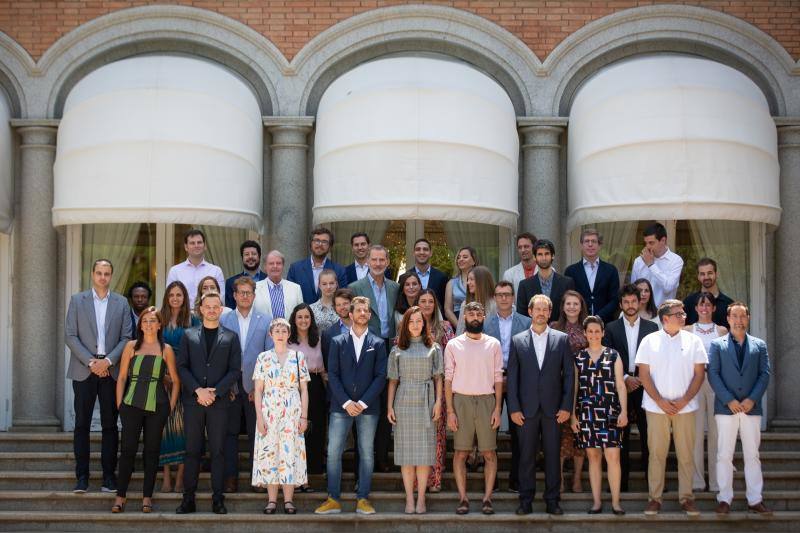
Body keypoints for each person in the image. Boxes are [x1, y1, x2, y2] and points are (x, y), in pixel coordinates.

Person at [65, 258, 133, 494]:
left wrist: (108, 361)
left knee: (110, 425)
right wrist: (92, 362)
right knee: (81, 425)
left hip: (111, 370)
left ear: (111, 276)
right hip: (84, 369)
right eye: (99, 273)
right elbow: (70, 336)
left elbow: (126, 337)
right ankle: (82, 477)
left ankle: (108, 477)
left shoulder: (122, 303)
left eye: (107, 273)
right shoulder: (77, 301)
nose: (103, 277)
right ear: (92, 274)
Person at [315, 296, 387, 515]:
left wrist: (363, 402)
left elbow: (381, 376)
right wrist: (346, 402)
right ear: (350, 314)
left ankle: (363, 498)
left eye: (366, 311)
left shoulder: (379, 343)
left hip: (368, 407)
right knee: (334, 452)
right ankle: (333, 498)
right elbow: (332, 375)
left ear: (370, 315)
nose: (363, 314)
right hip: (341, 406)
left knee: (366, 453)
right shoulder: (337, 342)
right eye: (359, 310)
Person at [635, 300, 707, 517]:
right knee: (656, 454)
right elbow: (644, 375)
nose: (684, 316)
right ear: (665, 318)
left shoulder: (694, 341)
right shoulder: (649, 341)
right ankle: (654, 499)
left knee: (686, 455)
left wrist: (685, 400)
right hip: (656, 408)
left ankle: (687, 498)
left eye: (683, 312)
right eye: (678, 313)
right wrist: (660, 400)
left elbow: (700, 374)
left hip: (686, 408)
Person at [175, 291, 242, 515]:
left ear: (221, 309)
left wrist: (216, 392)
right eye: (208, 306)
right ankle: (188, 499)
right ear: (200, 309)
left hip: (219, 402)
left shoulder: (231, 337)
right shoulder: (188, 334)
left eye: (216, 306)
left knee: (218, 452)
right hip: (194, 402)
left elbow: (234, 370)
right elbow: (181, 366)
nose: (212, 310)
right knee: (192, 451)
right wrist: (198, 390)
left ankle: (217, 499)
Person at [507, 294, 574, 516]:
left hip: (554, 411)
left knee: (553, 457)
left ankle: (552, 500)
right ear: (530, 311)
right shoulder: (517, 341)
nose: (542, 313)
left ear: (550, 313)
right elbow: (513, 378)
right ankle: (525, 500)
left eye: (546, 310)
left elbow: (569, 377)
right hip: (525, 411)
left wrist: (566, 406)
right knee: (526, 457)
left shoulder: (562, 339)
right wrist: (514, 408)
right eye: (538, 309)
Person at [112, 307, 180, 513]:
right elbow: (122, 377)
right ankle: (120, 496)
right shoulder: (131, 346)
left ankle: (147, 497)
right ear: (140, 325)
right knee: (128, 452)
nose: (149, 324)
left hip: (157, 407)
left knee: (152, 452)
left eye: (153, 321)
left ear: (160, 325)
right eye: (145, 321)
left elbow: (175, 381)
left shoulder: (165, 349)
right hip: (131, 405)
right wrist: (119, 405)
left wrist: (170, 406)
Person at [708, 302, 772, 515]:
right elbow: (713, 374)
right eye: (734, 316)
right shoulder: (717, 345)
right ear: (727, 319)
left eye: (742, 316)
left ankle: (755, 499)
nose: (738, 320)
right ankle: (724, 499)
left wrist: (752, 399)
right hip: (726, 408)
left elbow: (765, 374)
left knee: (752, 455)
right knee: (724, 454)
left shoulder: (759, 345)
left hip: (751, 408)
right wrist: (729, 400)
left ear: (748, 318)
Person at [445, 302, 503, 515]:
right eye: (470, 313)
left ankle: (487, 498)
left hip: (487, 400)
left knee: (489, 453)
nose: (475, 316)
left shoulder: (494, 344)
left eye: (479, 312)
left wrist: (497, 408)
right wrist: (450, 411)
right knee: (461, 453)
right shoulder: (453, 345)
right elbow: (448, 379)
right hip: (461, 401)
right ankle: (463, 498)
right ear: (464, 318)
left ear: (484, 316)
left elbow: (498, 377)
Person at [387, 306, 444, 514]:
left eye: (419, 321)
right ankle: (409, 499)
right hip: (404, 402)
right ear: (405, 325)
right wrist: (389, 407)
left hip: (426, 401)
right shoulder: (397, 349)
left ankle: (421, 499)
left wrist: (438, 402)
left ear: (424, 323)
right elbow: (393, 381)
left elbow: (438, 377)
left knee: (424, 455)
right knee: (406, 455)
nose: (415, 325)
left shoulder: (434, 348)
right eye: (411, 321)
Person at [602, 284, 659, 492]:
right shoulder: (610, 328)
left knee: (648, 436)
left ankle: (651, 483)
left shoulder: (652, 328)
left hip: (646, 386)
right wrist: (625, 377)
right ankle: (621, 484)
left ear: (640, 302)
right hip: (620, 386)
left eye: (634, 301)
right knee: (620, 436)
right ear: (620, 304)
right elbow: (608, 357)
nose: (630, 305)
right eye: (626, 302)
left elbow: (656, 359)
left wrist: (641, 379)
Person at [348, 244, 399, 472]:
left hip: (389, 350)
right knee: (366, 404)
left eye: (382, 260)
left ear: (387, 262)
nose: (378, 264)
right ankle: (363, 460)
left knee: (387, 403)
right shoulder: (354, 287)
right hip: (364, 350)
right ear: (367, 261)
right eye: (374, 260)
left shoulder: (395, 287)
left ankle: (382, 457)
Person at [252, 318, 311, 514]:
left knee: (289, 453)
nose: (280, 333)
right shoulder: (263, 358)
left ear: (288, 334)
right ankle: (271, 500)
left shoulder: (298, 357)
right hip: (269, 410)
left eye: (284, 330)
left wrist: (304, 416)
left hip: (292, 411)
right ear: (271, 334)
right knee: (270, 454)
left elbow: (304, 389)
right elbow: (258, 390)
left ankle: (288, 500)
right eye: (276, 330)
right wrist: (259, 417)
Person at [570, 316, 628, 515]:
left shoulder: (613, 355)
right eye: (590, 331)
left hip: (610, 412)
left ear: (603, 333)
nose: (594, 334)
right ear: (585, 334)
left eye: (597, 331)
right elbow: (574, 388)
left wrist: (624, 411)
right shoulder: (578, 357)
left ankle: (616, 502)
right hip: (586, 413)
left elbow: (620, 385)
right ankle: (596, 502)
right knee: (593, 457)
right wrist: (572, 415)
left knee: (613, 457)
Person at [219, 277, 272, 493]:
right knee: (229, 434)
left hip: (255, 386)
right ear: (234, 295)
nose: (244, 296)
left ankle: (257, 477)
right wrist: (226, 386)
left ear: (254, 295)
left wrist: (259, 387)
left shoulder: (265, 320)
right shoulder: (224, 319)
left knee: (256, 433)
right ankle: (230, 478)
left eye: (248, 292)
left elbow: (269, 357)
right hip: (230, 386)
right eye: (240, 292)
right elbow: (220, 355)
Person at [482, 280, 530, 493]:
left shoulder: (526, 322)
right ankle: (492, 482)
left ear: (513, 297)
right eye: (499, 294)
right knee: (488, 432)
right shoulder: (485, 323)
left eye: (507, 294)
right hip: (491, 381)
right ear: (494, 297)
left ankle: (516, 480)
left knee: (519, 432)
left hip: (518, 380)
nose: (503, 298)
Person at [684, 292, 728, 494]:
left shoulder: (722, 330)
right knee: (696, 434)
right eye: (701, 305)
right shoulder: (687, 330)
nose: (704, 308)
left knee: (716, 433)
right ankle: (697, 481)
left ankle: (717, 483)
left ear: (714, 308)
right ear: (695, 308)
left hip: (716, 382)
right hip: (694, 382)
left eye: (708, 304)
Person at [158, 281, 199, 493]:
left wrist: (183, 377)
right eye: (172, 295)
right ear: (167, 297)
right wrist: (163, 374)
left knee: (184, 429)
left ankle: (181, 476)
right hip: (162, 379)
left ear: (184, 298)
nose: (175, 298)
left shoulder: (193, 320)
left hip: (186, 380)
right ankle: (166, 475)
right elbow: (153, 348)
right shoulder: (159, 319)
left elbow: (198, 350)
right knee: (165, 427)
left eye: (179, 295)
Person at [549, 290, 588, 494]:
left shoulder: (588, 327)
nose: (572, 307)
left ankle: (577, 479)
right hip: (559, 387)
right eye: (568, 304)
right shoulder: (554, 328)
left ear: (581, 306)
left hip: (584, 387)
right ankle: (560, 479)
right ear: (562, 307)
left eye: (576, 303)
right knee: (561, 434)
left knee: (580, 434)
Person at [417, 288, 456, 493]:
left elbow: (452, 359)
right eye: (422, 301)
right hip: (415, 387)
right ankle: (418, 481)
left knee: (437, 436)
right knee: (418, 435)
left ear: (435, 305)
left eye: (430, 301)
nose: (426, 305)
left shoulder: (445, 327)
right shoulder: (409, 326)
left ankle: (435, 479)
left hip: (439, 388)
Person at [287, 303, 327, 488]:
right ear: (294, 320)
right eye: (300, 317)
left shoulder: (318, 338)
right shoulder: (288, 340)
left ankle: (314, 470)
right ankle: (297, 475)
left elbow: (325, 365)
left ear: (311, 319)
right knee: (298, 430)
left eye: (307, 317)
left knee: (316, 428)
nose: (303, 320)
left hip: (316, 384)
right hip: (294, 387)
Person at [564, 229, 620, 323]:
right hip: (578, 323)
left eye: (594, 241)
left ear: (599, 245)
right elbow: (568, 299)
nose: (590, 244)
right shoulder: (571, 271)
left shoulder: (611, 270)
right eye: (586, 241)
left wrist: (599, 317)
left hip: (605, 323)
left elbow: (615, 299)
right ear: (581, 245)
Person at [516, 239, 575, 324]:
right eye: (540, 254)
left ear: (553, 256)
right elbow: (522, 316)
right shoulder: (524, 285)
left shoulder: (567, 283)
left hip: (560, 333)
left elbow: (571, 311)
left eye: (547, 254)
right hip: (534, 334)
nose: (543, 258)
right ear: (534, 257)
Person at [166, 228, 225, 309]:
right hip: (183, 317)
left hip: (208, 316)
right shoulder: (175, 271)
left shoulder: (216, 271)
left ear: (205, 246)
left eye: (199, 242)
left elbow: (221, 298)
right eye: (192, 243)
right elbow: (170, 298)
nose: (196, 245)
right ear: (186, 247)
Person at [287, 227, 348, 304]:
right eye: (317, 241)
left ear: (330, 247)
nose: (320, 244)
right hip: (302, 315)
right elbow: (290, 297)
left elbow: (342, 299)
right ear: (311, 244)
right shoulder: (295, 269)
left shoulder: (339, 270)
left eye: (324, 242)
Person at [630, 222, 683, 307]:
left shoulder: (676, 260)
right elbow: (632, 291)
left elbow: (668, 287)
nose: (647, 247)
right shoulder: (639, 261)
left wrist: (651, 265)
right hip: (642, 313)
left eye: (651, 243)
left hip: (664, 315)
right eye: (646, 243)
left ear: (663, 240)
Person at [683, 258, 734, 329]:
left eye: (710, 273)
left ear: (716, 274)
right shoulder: (689, 302)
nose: (706, 277)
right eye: (702, 274)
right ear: (698, 277)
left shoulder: (728, 304)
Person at [253, 250, 303, 321]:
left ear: (283, 266)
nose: (275, 266)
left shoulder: (296, 288)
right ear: (265, 267)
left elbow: (301, 314)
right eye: (271, 263)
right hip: (264, 331)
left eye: (278, 263)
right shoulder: (254, 288)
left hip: (290, 331)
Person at [224, 240, 267, 309]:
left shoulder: (268, 280)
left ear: (259, 256)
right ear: (242, 258)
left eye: (254, 254)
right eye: (246, 254)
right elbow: (230, 311)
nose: (250, 257)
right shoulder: (230, 282)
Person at [408, 238, 448, 308]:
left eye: (425, 249)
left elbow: (443, 304)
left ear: (430, 253)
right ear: (413, 253)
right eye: (418, 249)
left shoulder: (441, 277)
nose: (422, 252)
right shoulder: (406, 276)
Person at [455, 265, 496, 335]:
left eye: (471, 279)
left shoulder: (495, 305)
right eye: (468, 279)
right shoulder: (465, 304)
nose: (468, 283)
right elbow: (459, 332)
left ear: (481, 281)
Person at [444, 246, 478, 327]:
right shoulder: (451, 283)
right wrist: (459, 327)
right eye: (459, 257)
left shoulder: (481, 281)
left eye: (465, 257)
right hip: (457, 322)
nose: (460, 259)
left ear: (474, 261)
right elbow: (447, 310)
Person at [321, 289, 354, 371]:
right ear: (335, 307)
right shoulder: (328, 334)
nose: (342, 307)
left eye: (345, 303)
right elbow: (328, 365)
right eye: (338, 305)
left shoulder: (368, 330)